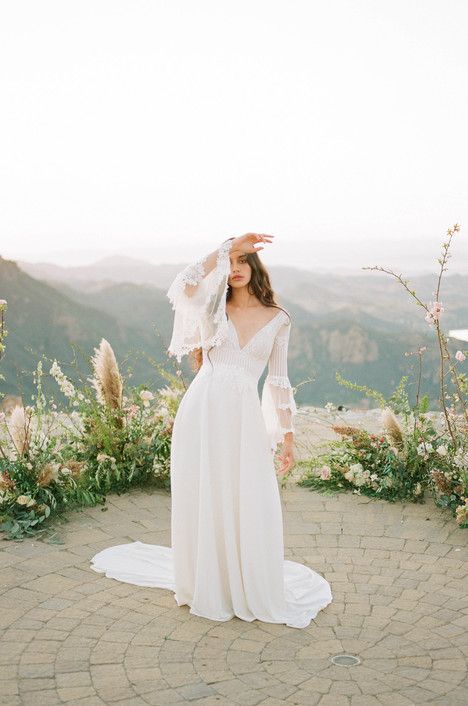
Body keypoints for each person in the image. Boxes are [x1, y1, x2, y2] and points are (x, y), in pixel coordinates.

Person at [90, 233, 332, 628]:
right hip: (201, 410)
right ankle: (209, 583)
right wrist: (224, 246)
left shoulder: (279, 319)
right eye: (230, 261)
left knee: (247, 494)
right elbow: (181, 284)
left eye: (242, 260)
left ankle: (244, 581)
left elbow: (278, 381)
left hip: (243, 418)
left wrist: (288, 437)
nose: (234, 268)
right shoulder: (211, 307)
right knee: (205, 492)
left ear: (255, 267)